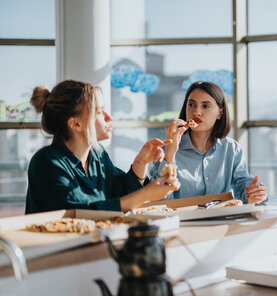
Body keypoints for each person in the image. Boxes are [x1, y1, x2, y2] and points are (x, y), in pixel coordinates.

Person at [26, 80, 178, 214]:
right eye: (99, 112)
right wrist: (145, 194)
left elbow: (121, 194)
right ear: (75, 124)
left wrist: (141, 162)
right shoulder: (45, 163)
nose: (108, 117)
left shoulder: (97, 155)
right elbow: (81, 212)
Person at [154, 81, 267, 203]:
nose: (196, 112)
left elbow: (243, 186)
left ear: (220, 113)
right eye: (191, 104)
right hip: (181, 221)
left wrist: (255, 193)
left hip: (222, 220)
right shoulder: (166, 150)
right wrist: (170, 153)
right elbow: (160, 202)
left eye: (205, 106)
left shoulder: (231, 148)